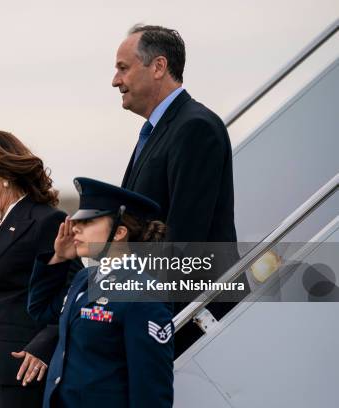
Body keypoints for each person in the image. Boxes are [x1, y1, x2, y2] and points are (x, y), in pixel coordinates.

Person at [112, 24, 245, 355]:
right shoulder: (159, 131)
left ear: (158, 67)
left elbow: (186, 240)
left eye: (123, 68)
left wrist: (151, 323)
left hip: (189, 322)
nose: (115, 80)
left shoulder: (194, 127)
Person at [0, 130, 80, 408]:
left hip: (20, 367)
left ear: (3, 173)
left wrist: (44, 345)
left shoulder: (45, 220)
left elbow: (73, 290)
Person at [28, 177, 174, 408]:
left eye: (87, 222)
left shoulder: (143, 295)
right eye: (77, 221)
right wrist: (59, 259)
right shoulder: (84, 278)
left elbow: (151, 388)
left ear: (119, 233)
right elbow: (40, 310)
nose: (75, 228)